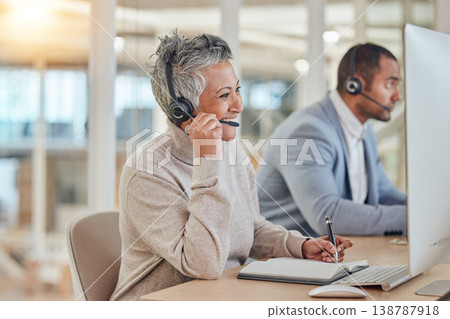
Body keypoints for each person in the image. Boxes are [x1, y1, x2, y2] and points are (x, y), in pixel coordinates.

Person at [110, 31, 352, 301]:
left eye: (237, 89)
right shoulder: (148, 171)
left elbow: (250, 228)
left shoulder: (230, 149)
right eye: (224, 95)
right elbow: (203, 264)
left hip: (220, 298)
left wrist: (300, 246)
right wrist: (208, 160)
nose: (238, 105)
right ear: (183, 109)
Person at [257, 43, 407, 237]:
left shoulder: (364, 131)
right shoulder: (308, 131)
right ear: (355, 85)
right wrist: (410, 219)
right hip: (281, 260)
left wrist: (428, 212)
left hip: (330, 256)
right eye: (390, 84)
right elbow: (328, 216)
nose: (397, 96)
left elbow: (383, 193)